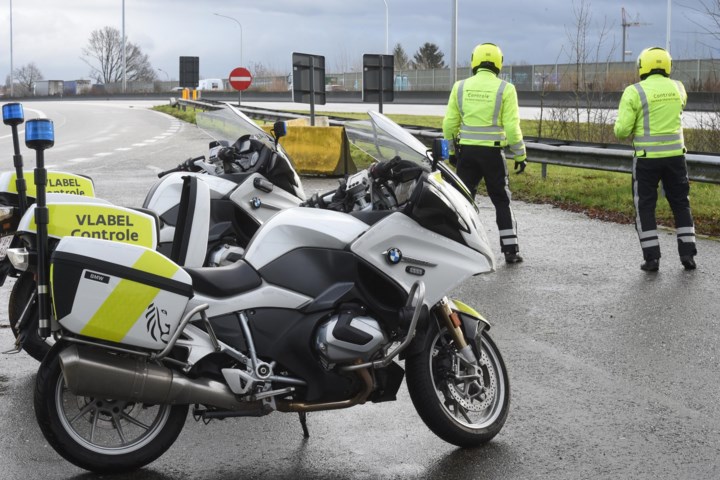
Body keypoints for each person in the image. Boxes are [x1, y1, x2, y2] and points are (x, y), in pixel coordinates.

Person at [442, 43, 527, 264]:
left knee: (461, 200)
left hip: (467, 153)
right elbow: (512, 128)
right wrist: (520, 155)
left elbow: (449, 124)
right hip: (493, 155)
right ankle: (510, 251)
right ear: (499, 63)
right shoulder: (506, 89)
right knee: (501, 200)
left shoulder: (459, 87)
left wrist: (452, 150)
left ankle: (456, 246)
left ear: (474, 61)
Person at [614, 47, 697, 272]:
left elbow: (622, 130)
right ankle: (688, 255)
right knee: (681, 204)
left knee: (645, 207)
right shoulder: (679, 88)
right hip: (676, 158)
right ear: (668, 66)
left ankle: (652, 259)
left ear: (642, 66)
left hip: (647, 160)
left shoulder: (634, 92)